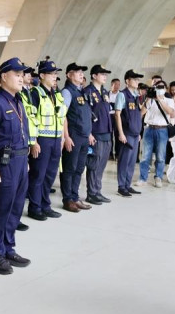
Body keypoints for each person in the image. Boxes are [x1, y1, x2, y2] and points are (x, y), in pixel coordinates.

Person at [0, 57, 33, 275]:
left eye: (22, 75)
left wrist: (26, 160)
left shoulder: (18, 100)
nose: (21, 78)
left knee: (16, 207)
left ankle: (9, 248)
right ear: (3, 77)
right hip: (4, 162)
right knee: (1, 208)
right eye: (17, 74)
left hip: (20, 161)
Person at [26, 60, 64, 220]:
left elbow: (61, 117)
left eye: (56, 74)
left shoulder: (55, 94)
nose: (55, 76)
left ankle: (45, 205)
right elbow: (31, 118)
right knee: (38, 175)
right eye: (51, 74)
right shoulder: (35, 93)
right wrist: (33, 142)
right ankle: (35, 208)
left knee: (49, 175)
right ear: (42, 75)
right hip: (42, 140)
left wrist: (62, 137)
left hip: (55, 139)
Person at [60, 63, 94, 212]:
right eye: (78, 72)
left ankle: (75, 197)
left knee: (79, 168)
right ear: (69, 75)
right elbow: (62, 116)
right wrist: (66, 136)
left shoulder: (80, 92)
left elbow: (85, 115)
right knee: (69, 168)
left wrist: (89, 134)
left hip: (84, 137)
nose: (81, 74)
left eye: (82, 72)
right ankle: (68, 199)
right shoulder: (67, 92)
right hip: (73, 136)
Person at [84, 65, 114, 204]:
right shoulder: (88, 91)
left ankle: (97, 191)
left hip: (106, 132)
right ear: (94, 76)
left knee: (101, 165)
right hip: (96, 133)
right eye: (102, 74)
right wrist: (89, 133)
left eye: (105, 74)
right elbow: (86, 114)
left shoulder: (104, 91)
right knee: (94, 164)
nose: (105, 76)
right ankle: (91, 193)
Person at [136, 80, 175, 188]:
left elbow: (170, 112)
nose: (159, 89)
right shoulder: (150, 100)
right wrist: (148, 98)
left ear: (165, 89)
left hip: (162, 130)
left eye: (161, 87)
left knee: (160, 156)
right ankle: (142, 178)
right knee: (145, 156)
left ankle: (158, 177)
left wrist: (160, 99)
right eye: (157, 87)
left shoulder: (169, 100)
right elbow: (141, 112)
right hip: (149, 129)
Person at [114, 70, 144, 197]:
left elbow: (139, 115)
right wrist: (121, 133)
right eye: (135, 79)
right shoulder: (122, 95)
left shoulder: (136, 96)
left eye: (138, 80)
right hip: (126, 133)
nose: (137, 82)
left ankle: (127, 184)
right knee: (124, 161)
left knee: (132, 161)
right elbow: (117, 114)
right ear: (127, 81)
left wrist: (138, 133)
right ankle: (121, 186)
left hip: (135, 133)